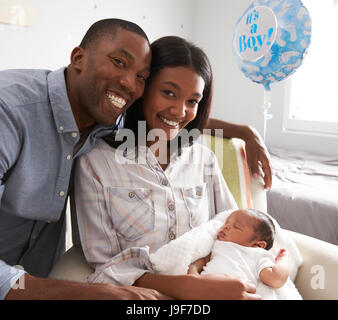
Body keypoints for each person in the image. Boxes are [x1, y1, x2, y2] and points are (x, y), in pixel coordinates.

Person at [0, 18, 270, 300]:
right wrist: (107, 293)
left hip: (36, 276)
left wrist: (244, 131)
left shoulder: (110, 116)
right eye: (118, 62)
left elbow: (173, 115)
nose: (129, 83)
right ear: (78, 57)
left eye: (141, 77)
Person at [75, 36, 261, 300]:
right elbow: (105, 265)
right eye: (169, 93)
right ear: (143, 88)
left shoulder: (204, 160)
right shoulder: (96, 164)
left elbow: (234, 227)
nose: (179, 110)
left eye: (193, 101)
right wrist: (189, 288)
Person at [187, 209, 290, 292]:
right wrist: (193, 270)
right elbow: (204, 261)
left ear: (258, 244)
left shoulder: (257, 254)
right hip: (202, 290)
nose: (226, 226)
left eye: (236, 227)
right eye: (226, 223)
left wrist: (283, 260)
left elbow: (276, 279)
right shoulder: (218, 244)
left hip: (234, 293)